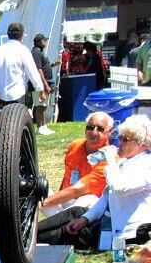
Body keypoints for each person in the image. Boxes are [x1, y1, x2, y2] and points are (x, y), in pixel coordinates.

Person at [41, 115, 151, 250]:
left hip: (131, 234)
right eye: (120, 137)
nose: (120, 143)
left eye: (125, 139)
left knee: (65, 232)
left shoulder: (146, 165)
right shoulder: (125, 163)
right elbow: (106, 198)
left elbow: (119, 188)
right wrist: (85, 219)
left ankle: (25, 239)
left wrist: (111, 161)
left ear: (143, 145)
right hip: (109, 224)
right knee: (76, 213)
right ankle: (25, 234)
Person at [36, 112, 112, 239]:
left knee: (89, 198)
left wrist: (43, 203)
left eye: (100, 129)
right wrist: (45, 199)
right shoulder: (74, 145)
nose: (94, 132)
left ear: (109, 132)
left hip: (85, 209)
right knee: (37, 189)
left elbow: (77, 190)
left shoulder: (108, 158)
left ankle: (50, 227)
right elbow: (67, 177)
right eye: (90, 127)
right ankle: (59, 225)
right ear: (85, 129)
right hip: (65, 204)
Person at [0, 22, 48, 108]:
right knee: (17, 116)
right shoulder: (23, 50)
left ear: (8, 34)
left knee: (3, 115)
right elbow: (32, 72)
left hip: (1, 94)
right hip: (18, 93)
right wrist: (40, 89)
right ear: (22, 35)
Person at [31, 34, 59, 135]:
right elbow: (39, 70)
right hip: (40, 82)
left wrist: (53, 65)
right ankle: (40, 127)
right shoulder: (35, 52)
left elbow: (44, 66)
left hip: (46, 81)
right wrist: (45, 84)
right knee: (40, 105)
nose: (46, 43)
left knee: (44, 105)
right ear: (39, 42)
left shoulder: (40, 52)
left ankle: (44, 126)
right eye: (44, 41)